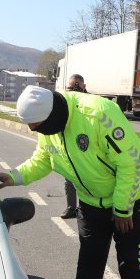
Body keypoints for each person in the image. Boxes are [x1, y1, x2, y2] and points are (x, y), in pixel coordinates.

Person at [0, 85, 140, 279]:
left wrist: (123, 208)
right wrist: (13, 176)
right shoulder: (50, 128)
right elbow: (44, 159)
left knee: (132, 266)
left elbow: (131, 162)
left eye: (37, 126)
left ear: (52, 114)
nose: (34, 131)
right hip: (92, 202)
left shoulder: (98, 114)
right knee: (89, 264)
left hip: (132, 200)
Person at [60, 74, 86, 219]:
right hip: (70, 148)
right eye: (70, 88)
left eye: (77, 87)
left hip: (88, 149)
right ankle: (71, 208)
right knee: (69, 179)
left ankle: (88, 209)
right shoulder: (63, 103)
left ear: (84, 87)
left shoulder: (90, 102)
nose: (73, 91)